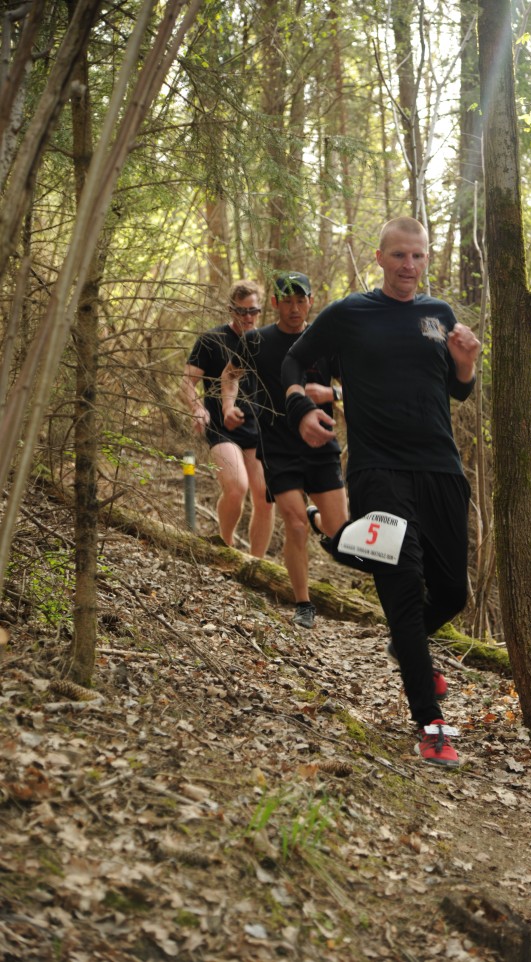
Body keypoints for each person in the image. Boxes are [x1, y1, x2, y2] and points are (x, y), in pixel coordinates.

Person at [281, 217, 481, 767]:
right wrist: (301, 409)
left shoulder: (438, 316)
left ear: (425, 258)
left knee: (452, 593)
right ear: (379, 257)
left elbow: (457, 391)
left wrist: (465, 364)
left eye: (416, 257)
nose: (408, 266)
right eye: (398, 256)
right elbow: (294, 359)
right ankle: (432, 725)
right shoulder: (350, 314)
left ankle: (360, 569)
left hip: (441, 469)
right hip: (379, 471)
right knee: (400, 587)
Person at [221, 271, 347, 629]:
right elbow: (230, 375)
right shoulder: (257, 341)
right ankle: (303, 603)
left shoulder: (325, 342)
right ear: (274, 303)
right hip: (277, 445)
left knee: (339, 531)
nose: (294, 308)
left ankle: (315, 517)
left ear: (310, 301)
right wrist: (228, 406)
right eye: (286, 301)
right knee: (293, 525)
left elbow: (359, 387)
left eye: (300, 300)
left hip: (322, 443)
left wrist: (332, 394)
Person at [182, 279, 274, 557]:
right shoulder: (212, 340)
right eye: (242, 311)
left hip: (258, 430)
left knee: (266, 498)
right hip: (223, 428)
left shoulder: (266, 341)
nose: (248, 317)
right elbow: (186, 384)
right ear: (231, 310)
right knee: (237, 487)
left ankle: (257, 566)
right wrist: (198, 408)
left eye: (253, 311)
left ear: (260, 311)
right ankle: (226, 546)